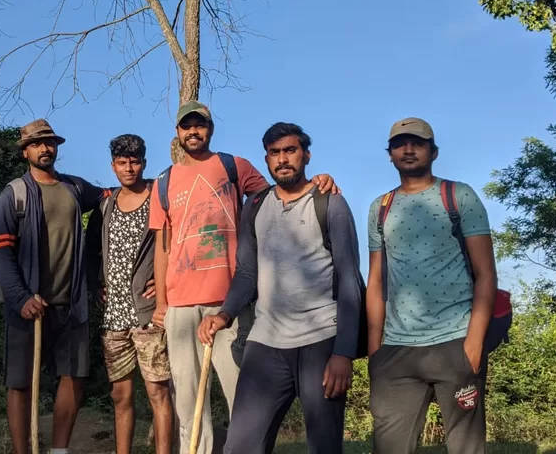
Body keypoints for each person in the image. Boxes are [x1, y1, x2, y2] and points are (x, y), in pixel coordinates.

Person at [148, 101, 339, 454]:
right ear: (177, 133)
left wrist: (316, 183)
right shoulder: (163, 182)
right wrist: (161, 302)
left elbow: (280, 194)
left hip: (228, 302)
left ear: (210, 129)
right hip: (180, 304)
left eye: (200, 125)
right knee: (188, 401)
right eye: (186, 126)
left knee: (244, 397)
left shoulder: (233, 167)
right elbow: (163, 246)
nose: (194, 132)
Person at [198, 122, 364, 454]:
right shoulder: (256, 206)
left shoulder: (329, 203)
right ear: (267, 158)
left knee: (324, 446)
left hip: (321, 338)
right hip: (266, 342)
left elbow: (348, 277)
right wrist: (225, 313)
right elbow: (247, 271)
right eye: (275, 153)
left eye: (290, 150)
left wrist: (343, 353)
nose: (282, 159)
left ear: (306, 155)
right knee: (241, 445)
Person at [366, 118, 498, 454]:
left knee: (465, 448)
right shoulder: (379, 208)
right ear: (390, 154)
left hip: (455, 341)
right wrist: (374, 351)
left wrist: (473, 342)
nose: (408, 149)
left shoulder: (458, 195)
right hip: (395, 351)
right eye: (399, 144)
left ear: (433, 152)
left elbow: (486, 274)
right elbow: (377, 281)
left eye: (417, 143)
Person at [0, 119, 108, 454]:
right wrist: (20, 298)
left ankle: (59, 449)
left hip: (71, 302)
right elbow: (1, 251)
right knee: (21, 382)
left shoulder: (74, 188)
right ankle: (22, 450)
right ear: (26, 151)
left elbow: (108, 199)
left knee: (75, 376)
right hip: (29, 305)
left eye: (50, 142)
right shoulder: (14, 194)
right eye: (37, 144)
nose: (45, 149)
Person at [85, 134, 174, 454]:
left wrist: (165, 285)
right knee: (120, 396)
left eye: (134, 162)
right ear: (113, 166)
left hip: (148, 314)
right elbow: (92, 249)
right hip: (114, 317)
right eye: (122, 162)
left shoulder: (158, 197)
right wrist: (97, 283)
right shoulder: (106, 204)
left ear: (144, 163)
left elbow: (174, 244)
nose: (129, 168)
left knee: (158, 393)